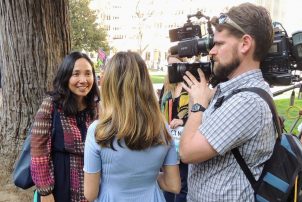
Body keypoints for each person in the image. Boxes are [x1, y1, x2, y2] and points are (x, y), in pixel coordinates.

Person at [179, 3, 275, 201]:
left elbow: (187, 152)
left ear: (245, 44)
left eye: (219, 44)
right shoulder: (232, 92)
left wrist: (198, 104)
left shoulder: (247, 102)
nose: (212, 51)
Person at [83, 51, 181, 202]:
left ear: (110, 86)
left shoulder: (98, 131)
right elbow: (173, 185)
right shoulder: (162, 128)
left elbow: (90, 193)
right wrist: (147, 177)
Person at [30, 51, 100, 202]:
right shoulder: (51, 105)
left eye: (88, 73)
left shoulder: (97, 108)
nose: (83, 80)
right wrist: (45, 191)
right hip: (59, 187)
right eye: (76, 74)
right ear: (65, 77)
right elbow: (39, 151)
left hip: (93, 186)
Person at [159, 55, 189, 202]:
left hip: (184, 137)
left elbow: (198, 112)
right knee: (168, 178)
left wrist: (182, 120)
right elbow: (158, 108)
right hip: (168, 137)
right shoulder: (166, 86)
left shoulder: (190, 86)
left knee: (183, 180)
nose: (173, 69)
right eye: (170, 65)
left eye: (176, 65)